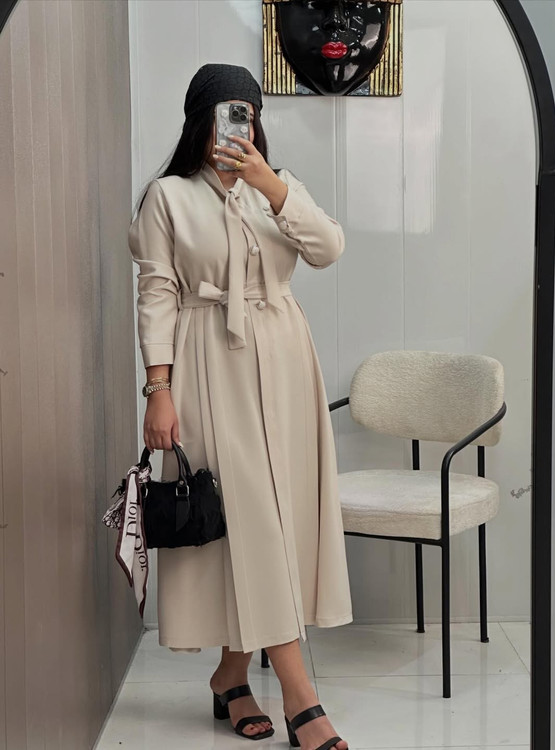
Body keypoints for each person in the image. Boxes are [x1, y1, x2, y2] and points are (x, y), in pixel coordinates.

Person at [128, 63, 352, 750]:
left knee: (273, 525)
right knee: (247, 517)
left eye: (248, 114)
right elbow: (157, 291)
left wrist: (269, 184)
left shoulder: (276, 189)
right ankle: (302, 699)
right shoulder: (167, 196)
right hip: (207, 363)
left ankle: (231, 678)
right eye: (227, 113)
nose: (239, 125)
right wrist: (158, 388)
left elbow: (328, 249)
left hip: (284, 363)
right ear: (200, 120)